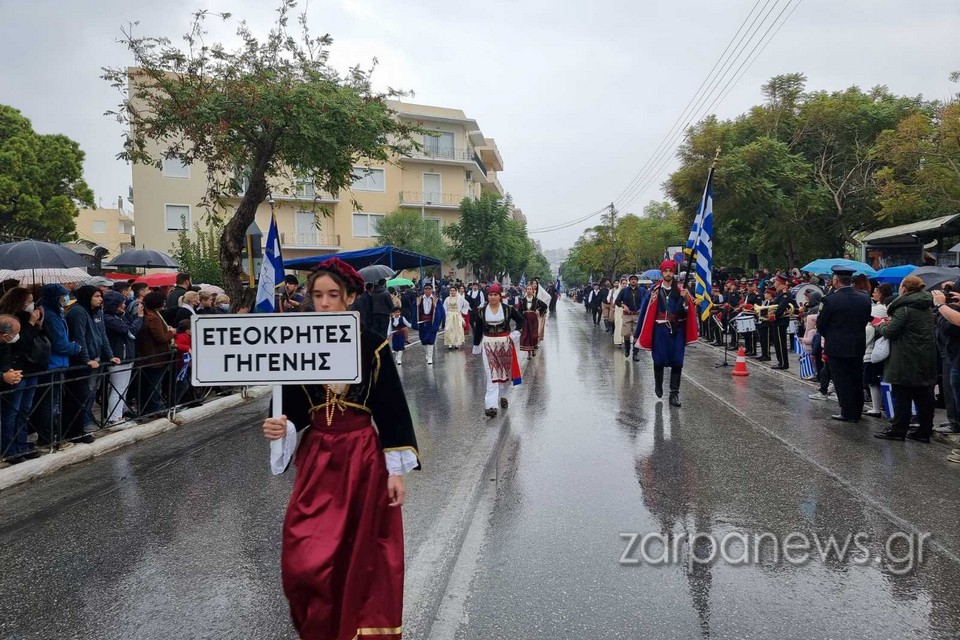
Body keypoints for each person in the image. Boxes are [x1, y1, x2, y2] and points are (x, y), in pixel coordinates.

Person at [260, 257, 419, 640]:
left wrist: (395, 472)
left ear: (349, 297)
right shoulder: (296, 345)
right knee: (304, 559)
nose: (325, 302)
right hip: (319, 462)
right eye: (318, 295)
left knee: (362, 554)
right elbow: (290, 408)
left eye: (333, 294)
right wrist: (280, 426)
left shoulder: (372, 344)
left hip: (362, 458)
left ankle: (356, 630)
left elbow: (392, 410)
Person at [874, 275, 937, 441]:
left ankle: (898, 429)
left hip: (905, 357)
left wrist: (880, 325)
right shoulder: (926, 307)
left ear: (905, 289)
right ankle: (924, 431)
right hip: (925, 356)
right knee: (923, 396)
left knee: (902, 395)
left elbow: (891, 332)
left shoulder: (904, 308)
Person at [635, 260, 699, 407]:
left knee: (677, 361)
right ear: (662, 273)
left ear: (673, 273)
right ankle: (658, 384)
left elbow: (689, 310)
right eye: (666, 271)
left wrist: (686, 298)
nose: (668, 274)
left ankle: (674, 394)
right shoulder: (654, 291)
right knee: (658, 360)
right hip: (660, 330)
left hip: (677, 330)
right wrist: (638, 333)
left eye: (670, 271)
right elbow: (645, 311)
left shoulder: (682, 289)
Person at [816, 265, 872, 422]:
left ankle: (847, 411)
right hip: (857, 343)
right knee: (856, 378)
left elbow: (821, 324)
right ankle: (857, 410)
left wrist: (831, 336)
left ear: (835, 280)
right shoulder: (864, 298)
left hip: (836, 345)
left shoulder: (829, 300)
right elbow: (866, 318)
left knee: (842, 380)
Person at [0, 288, 46, 461]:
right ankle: (9, 449)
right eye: (29, 301)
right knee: (12, 411)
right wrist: (31, 324)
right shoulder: (8, 320)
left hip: (30, 368)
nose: (31, 304)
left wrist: (38, 323)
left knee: (25, 410)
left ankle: (22, 444)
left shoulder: (24, 320)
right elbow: (20, 345)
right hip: (16, 370)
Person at [472, 283, 524, 417]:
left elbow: (521, 321)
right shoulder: (481, 312)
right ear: (487, 296)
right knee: (491, 375)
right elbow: (478, 330)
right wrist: (476, 345)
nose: (493, 297)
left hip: (505, 345)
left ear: (499, 296)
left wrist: (516, 333)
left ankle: (504, 395)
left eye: (495, 294)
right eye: (490, 294)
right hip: (488, 345)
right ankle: (491, 406)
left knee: (505, 374)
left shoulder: (508, 309)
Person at [102, 291, 142, 424]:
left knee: (121, 388)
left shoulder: (118, 316)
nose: (125, 305)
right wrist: (139, 318)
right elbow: (130, 330)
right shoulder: (109, 319)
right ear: (115, 305)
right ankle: (114, 418)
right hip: (119, 356)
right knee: (118, 388)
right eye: (122, 303)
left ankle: (119, 415)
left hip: (125, 355)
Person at [137, 292, 175, 416]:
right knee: (154, 384)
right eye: (163, 301)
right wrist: (171, 332)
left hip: (151, 355)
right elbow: (161, 338)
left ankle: (149, 408)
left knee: (151, 384)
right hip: (156, 356)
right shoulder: (153, 318)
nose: (164, 303)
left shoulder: (151, 315)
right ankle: (154, 408)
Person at [616, 274, 648, 361]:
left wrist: (642, 308)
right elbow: (617, 301)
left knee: (636, 334)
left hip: (638, 315)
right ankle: (627, 348)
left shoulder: (642, 290)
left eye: (635, 279)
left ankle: (635, 353)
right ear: (629, 281)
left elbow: (647, 300)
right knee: (626, 333)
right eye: (632, 279)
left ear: (637, 281)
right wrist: (623, 305)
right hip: (627, 315)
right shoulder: (624, 291)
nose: (633, 281)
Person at [416, 282, 445, 365]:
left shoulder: (436, 300)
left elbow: (441, 311)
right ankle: (427, 353)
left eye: (429, 289)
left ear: (432, 290)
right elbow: (415, 309)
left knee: (431, 339)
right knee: (423, 340)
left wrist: (443, 321)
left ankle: (430, 357)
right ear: (424, 290)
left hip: (431, 322)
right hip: (422, 322)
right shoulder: (420, 299)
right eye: (426, 289)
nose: (427, 290)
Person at [518, 283, 547, 358]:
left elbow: (544, 306)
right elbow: (519, 311)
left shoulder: (536, 300)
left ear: (533, 291)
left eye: (530, 289)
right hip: (525, 319)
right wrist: (519, 321)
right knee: (527, 335)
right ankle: (529, 353)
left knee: (534, 335)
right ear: (526, 290)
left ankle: (533, 349)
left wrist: (539, 311)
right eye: (527, 289)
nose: (529, 290)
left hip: (533, 319)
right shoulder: (522, 300)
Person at [443, 286, 466, 350]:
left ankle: (456, 343)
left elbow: (464, 306)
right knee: (449, 328)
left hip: (456, 315)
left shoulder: (459, 299)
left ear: (456, 291)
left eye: (453, 291)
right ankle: (450, 343)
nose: (452, 292)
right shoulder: (447, 299)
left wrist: (462, 317)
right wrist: (446, 314)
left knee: (457, 328)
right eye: (451, 291)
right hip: (449, 315)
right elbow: (444, 307)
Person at [613, 278, 627, 347]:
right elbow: (615, 301)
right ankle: (619, 340)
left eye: (625, 283)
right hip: (619, 309)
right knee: (619, 324)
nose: (624, 285)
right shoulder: (616, 291)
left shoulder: (628, 291)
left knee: (626, 324)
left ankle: (626, 339)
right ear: (620, 284)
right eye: (623, 283)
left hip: (626, 309)